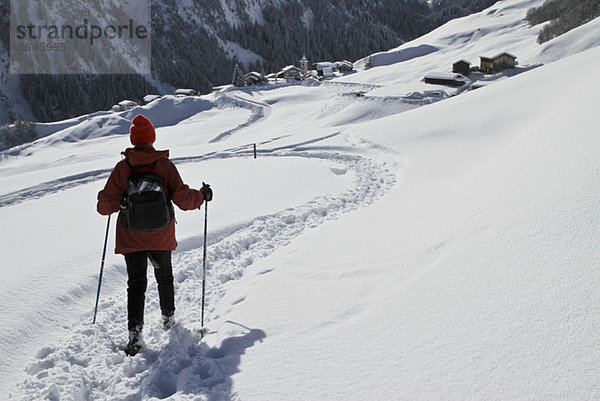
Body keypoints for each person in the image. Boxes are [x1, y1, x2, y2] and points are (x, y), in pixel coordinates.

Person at [97, 114, 213, 356]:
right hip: (160, 234)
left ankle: (135, 335)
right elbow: (182, 198)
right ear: (152, 138)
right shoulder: (163, 165)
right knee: (165, 278)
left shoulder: (123, 168)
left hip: (131, 236)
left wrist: (106, 197)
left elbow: (104, 208)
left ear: (133, 139)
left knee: (136, 284)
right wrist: (202, 196)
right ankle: (169, 319)